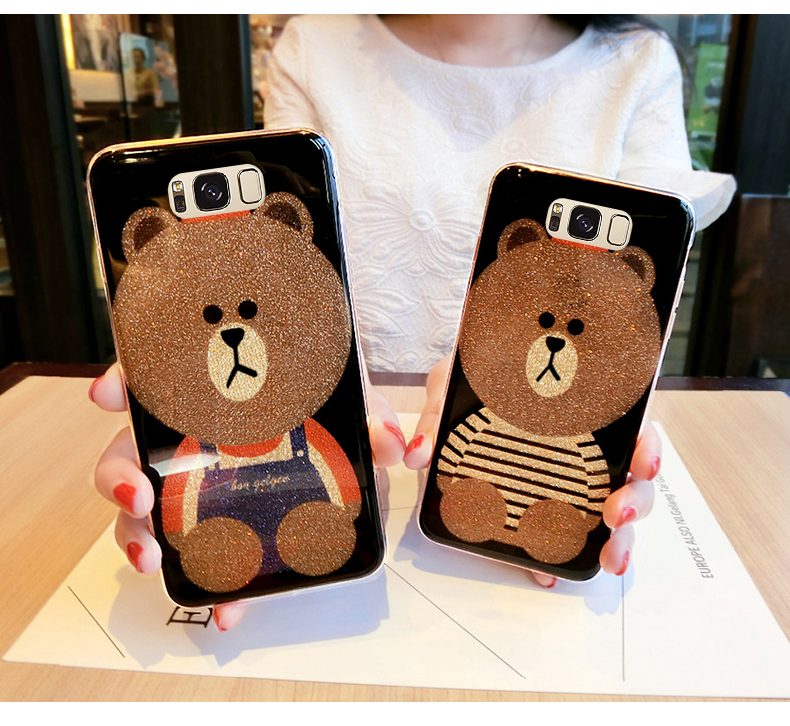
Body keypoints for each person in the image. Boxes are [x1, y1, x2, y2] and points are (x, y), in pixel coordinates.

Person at [91, 14, 734, 631]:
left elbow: (627, 320)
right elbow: (270, 276)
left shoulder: (636, 63)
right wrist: (175, 360)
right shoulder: (314, 47)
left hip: (436, 464)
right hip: (362, 435)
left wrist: (612, 404)